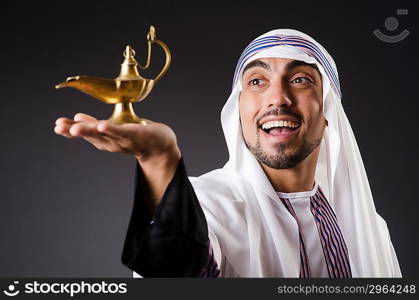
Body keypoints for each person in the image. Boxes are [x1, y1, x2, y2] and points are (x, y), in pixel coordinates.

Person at [54, 29, 401, 278]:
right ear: (238, 111)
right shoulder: (207, 207)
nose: (277, 98)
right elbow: (176, 271)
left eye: (300, 79)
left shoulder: (370, 228)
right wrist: (160, 160)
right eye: (256, 81)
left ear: (328, 113)